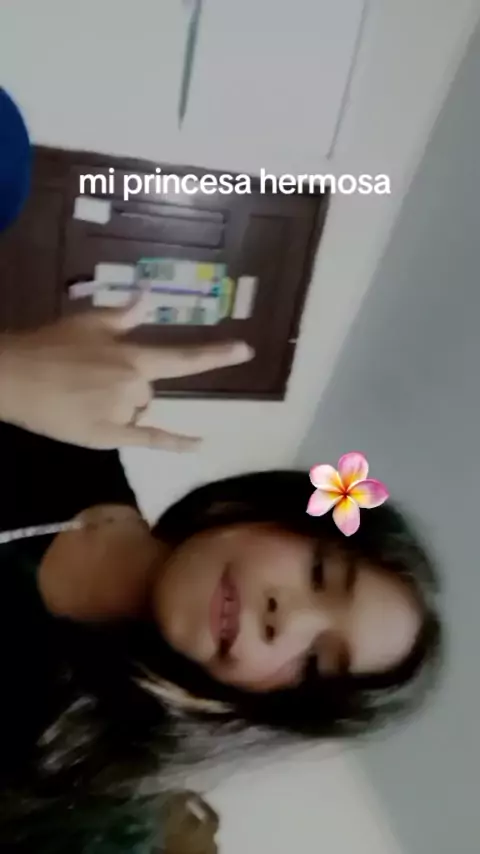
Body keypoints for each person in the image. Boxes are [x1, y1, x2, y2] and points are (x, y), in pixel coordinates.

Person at [0, 89, 442, 852]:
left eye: (313, 665)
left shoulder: (76, 773)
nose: (285, 620)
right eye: (320, 573)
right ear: (265, 516)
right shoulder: (71, 432)